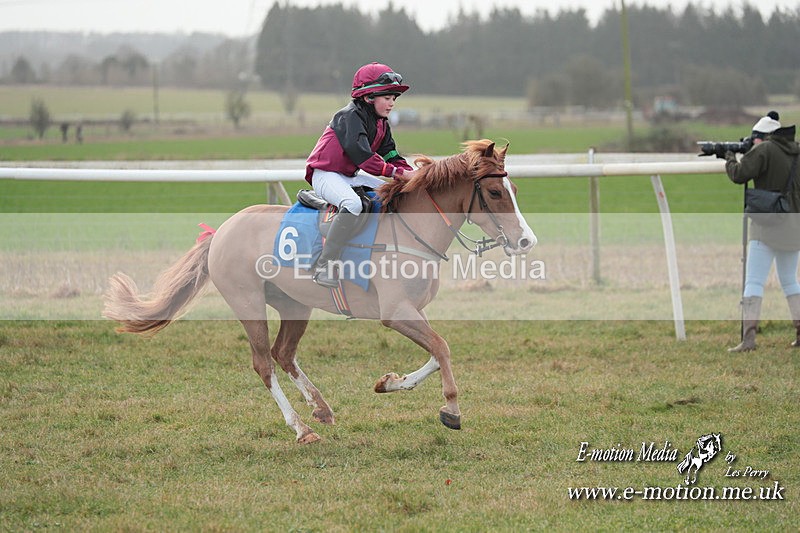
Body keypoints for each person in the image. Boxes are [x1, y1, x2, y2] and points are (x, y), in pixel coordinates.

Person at [305, 62, 415, 288]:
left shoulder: (381, 123)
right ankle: (324, 265)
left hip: (349, 175)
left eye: (394, 97)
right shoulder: (349, 117)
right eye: (387, 97)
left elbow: (391, 154)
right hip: (325, 174)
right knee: (353, 204)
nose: (392, 103)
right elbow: (364, 158)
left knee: (392, 193)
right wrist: (397, 173)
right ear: (368, 97)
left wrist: (413, 174)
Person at [722, 111, 800, 351]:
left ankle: (749, 339)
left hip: (766, 226)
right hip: (794, 226)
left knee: (754, 282)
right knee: (790, 281)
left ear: (763, 136)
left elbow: (739, 175)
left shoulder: (764, 149)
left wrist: (729, 158)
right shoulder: (796, 151)